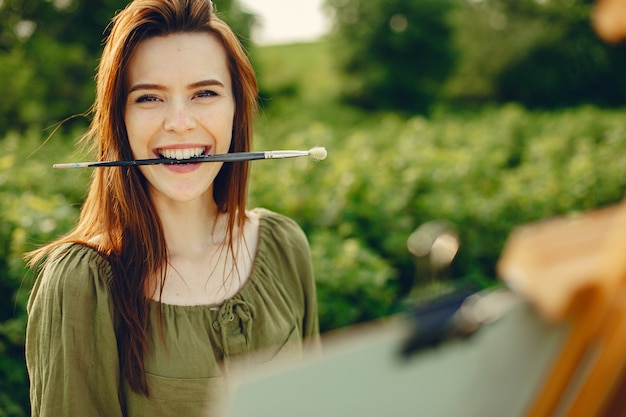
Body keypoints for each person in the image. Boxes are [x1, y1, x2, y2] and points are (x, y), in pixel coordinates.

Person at [24, 0, 321, 415]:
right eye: (149, 98)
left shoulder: (284, 245)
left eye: (204, 93)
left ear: (236, 109)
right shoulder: (80, 284)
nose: (180, 122)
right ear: (119, 119)